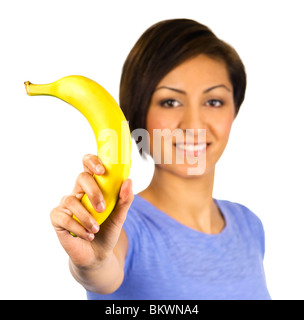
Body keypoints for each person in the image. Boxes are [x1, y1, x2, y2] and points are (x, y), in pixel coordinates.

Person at [50, 19, 271, 300]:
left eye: (214, 101)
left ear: (233, 111)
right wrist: (92, 262)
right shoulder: (119, 227)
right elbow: (102, 269)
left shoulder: (249, 225)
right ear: (139, 114)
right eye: (170, 102)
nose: (193, 123)